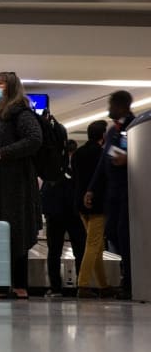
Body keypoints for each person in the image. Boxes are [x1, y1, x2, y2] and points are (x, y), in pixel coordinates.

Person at [0, 72, 42, 299]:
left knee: (14, 232)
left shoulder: (20, 113)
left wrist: (2, 153)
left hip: (14, 186)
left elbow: (34, 139)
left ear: (10, 87)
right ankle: (4, 285)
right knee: (0, 231)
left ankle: (16, 286)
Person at [86, 90, 135, 300]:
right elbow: (102, 163)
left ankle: (130, 282)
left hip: (128, 190)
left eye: (112, 104)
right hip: (111, 192)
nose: (109, 107)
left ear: (122, 106)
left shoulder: (134, 126)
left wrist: (129, 157)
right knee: (113, 232)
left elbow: (137, 155)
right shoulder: (112, 131)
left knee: (124, 234)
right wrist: (91, 188)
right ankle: (127, 274)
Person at [41, 138, 86, 297]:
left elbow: (45, 193)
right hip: (72, 215)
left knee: (54, 251)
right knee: (79, 249)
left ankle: (55, 288)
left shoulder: (51, 168)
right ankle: (81, 284)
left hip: (54, 215)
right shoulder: (75, 169)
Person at [71, 120, 109, 298]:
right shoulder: (102, 154)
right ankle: (83, 284)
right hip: (97, 204)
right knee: (93, 245)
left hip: (80, 204)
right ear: (103, 136)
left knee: (97, 246)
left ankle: (103, 285)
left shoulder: (78, 153)